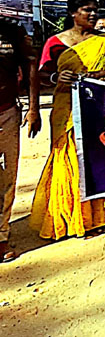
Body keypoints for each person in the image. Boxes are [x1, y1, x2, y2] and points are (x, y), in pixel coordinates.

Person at [31, 0, 105, 240]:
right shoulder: (56, 42)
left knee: (96, 157)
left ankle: (97, 218)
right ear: (73, 13)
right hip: (65, 108)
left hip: (95, 107)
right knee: (67, 157)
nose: (93, 14)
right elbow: (42, 74)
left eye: (95, 9)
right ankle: (66, 218)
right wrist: (56, 77)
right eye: (87, 10)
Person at [0, 19, 41, 263]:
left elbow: (30, 66)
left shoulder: (11, 30)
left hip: (6, 113)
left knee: (6, 178)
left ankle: (1, 237)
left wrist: (34, 108)